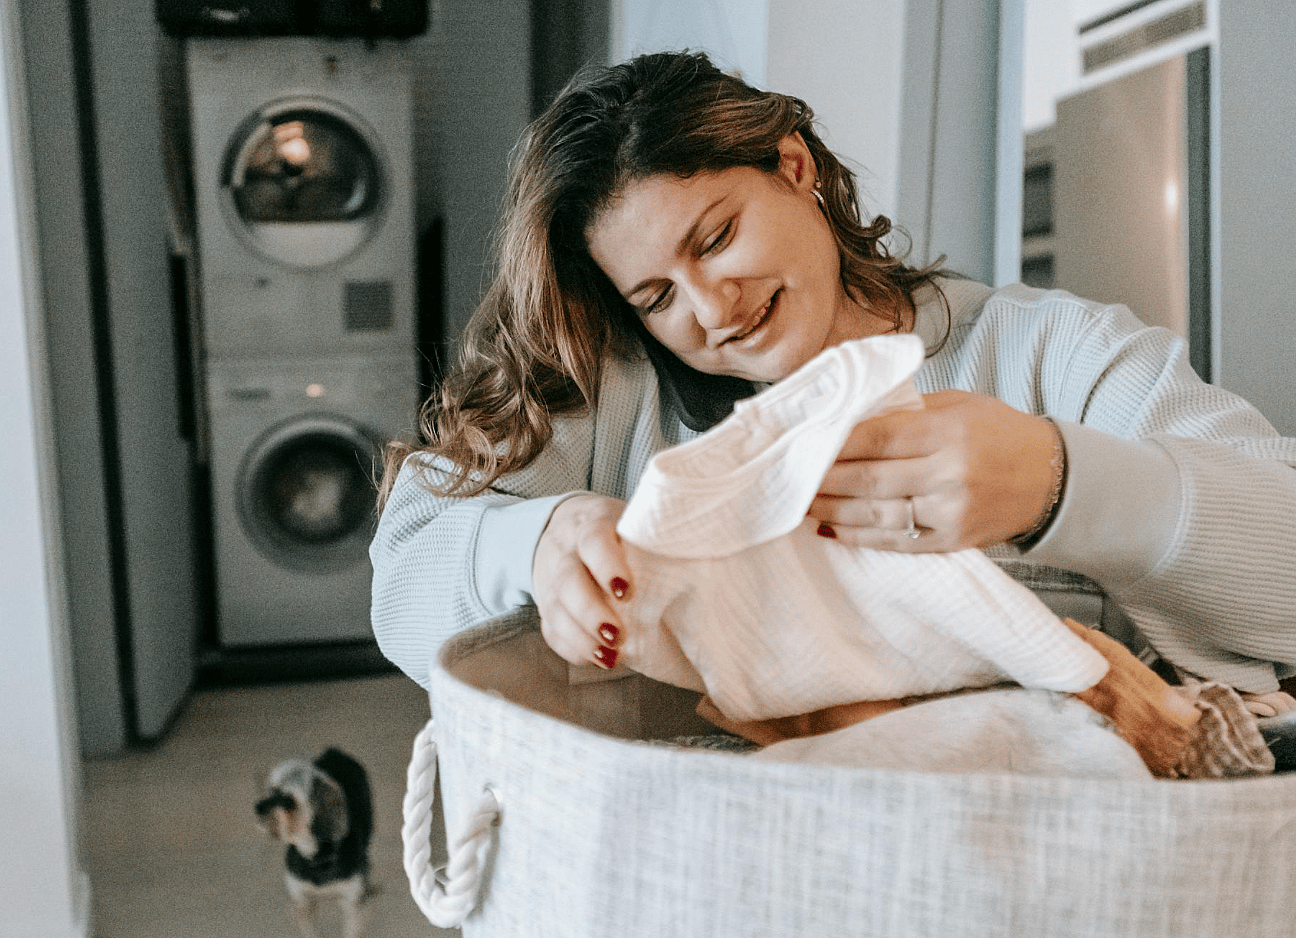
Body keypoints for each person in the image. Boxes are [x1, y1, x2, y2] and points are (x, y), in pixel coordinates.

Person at [370, 50, 1296, 714]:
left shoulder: (1052, 354)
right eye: (657, 295)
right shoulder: (617, 391)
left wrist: (1059, 482)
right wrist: (535, 540)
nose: (710, 306)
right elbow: (404, 576)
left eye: (717, 237)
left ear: (794, 167)